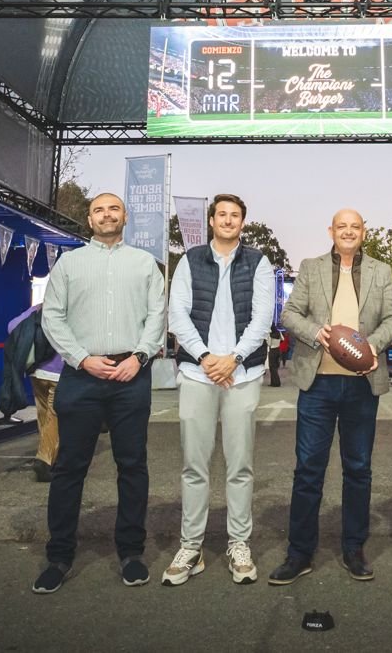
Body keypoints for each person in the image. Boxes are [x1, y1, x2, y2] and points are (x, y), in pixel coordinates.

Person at [31, 192, 167, 595]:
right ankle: (59, 556)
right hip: (82, 375)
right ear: (90, 220)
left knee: (132, 466)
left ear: (125, 217)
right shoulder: (69, 264)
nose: (107, 215)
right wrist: (81, 358)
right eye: (99, 210)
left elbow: (156, 315)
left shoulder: (144, 264)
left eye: (114, 209)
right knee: (69, 467)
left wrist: (139, 357)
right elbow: (52, 317)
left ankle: (131, 553)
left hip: (131, 375)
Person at [270, 208, 392, 585]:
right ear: (331, 231)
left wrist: (370, 346)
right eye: (341, 226)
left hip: (362, 384)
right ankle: (299, 553)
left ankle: (353, 548)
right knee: (308, 469)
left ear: (363, 232)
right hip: (318, 384)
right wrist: (316, 332)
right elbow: (289, 314)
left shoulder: (379, 271)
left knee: (358, 469)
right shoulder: (310, 268)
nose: (348, 231)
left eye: (354, 226)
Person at [161, 193, 273, 587]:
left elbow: (262, 319)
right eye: (221, 214)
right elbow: (177, 314)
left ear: (243, 222)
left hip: (242, 375)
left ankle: (239, 544)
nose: (228, 220)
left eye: (235, 215)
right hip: (198, 373)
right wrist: (207, 357)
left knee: (240, 467)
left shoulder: (258, 262)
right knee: (194, 466)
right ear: (211, 220)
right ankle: (190, 548)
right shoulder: (190, 260)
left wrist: (234, 359)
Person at [6, 304, 64, 481]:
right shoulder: (68, 311)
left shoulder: (39, 309)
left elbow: (12, 325)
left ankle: (49, 453)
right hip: (59, 373)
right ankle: (45, 459)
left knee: (44, 415)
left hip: (37, 373)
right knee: (55, 417)